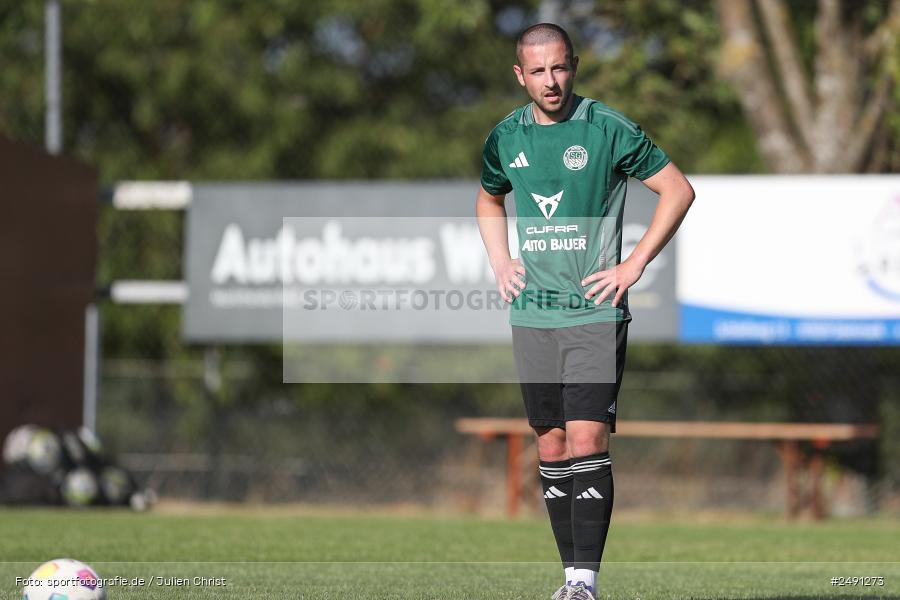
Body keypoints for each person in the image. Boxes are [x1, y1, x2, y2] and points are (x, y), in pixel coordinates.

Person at [475, 23, 695, 600]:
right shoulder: (505, 136)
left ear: (574, 65)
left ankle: (584, 581)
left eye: (560, 67)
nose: (551, 81)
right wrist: (501, 260)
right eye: (538, 71)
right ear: (520, 76)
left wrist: (634, 264)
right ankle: (569, 578)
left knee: (586, 438)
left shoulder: (606, 128)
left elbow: (677, 189)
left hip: (595, 313)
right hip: (533, 314)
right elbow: (488, 196)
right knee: (549, 444)